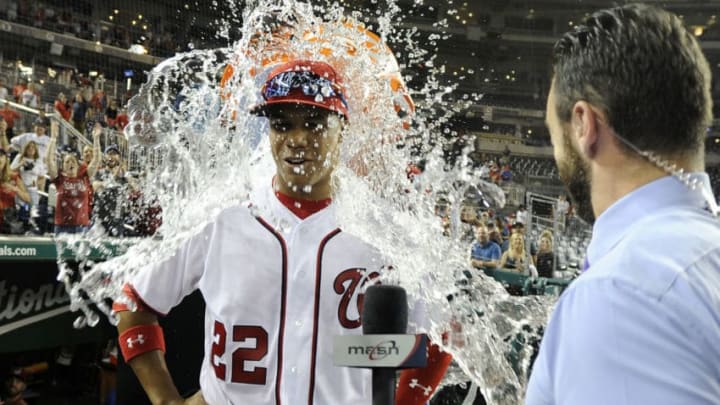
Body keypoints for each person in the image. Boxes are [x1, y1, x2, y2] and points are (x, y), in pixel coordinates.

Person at [113, 59, 450, 405]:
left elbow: (440, 339)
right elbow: (133, 302)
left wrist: (357, 363)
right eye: (282, 125)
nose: (297, 139)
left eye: (315, 124)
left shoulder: (381, 231)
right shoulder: (220, 215)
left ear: (343, 130)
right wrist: (165, 399)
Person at [526, 4, 720, 405]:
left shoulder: (622, 294)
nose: (556, 155)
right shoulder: (700, 257)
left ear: (584, 124)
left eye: (553, 135)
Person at [45, 121, 101, 234]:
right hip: (62, 226)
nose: (70, 163)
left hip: (82, 226)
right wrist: (53, 139)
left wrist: (96, 139)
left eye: (72, 161)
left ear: (77, 164)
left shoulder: (84, 177)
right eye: (67, 162)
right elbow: (49, 161)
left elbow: (96, 160)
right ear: (63, 166)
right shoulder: (59, 179)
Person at [0, 146, 31, 232]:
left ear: (6, 159)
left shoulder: (13, 176)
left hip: (8, 221)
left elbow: (27, 199)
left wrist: (15, 189)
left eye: (1, 156)